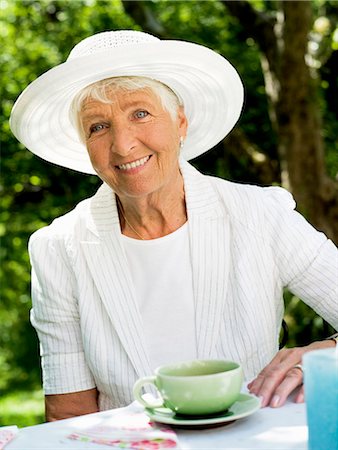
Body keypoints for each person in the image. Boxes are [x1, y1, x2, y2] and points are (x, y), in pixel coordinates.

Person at [10, 30, 338, 422]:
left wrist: (325, 354)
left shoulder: (259, 213)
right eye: (98, 126)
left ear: (180, 122)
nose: (123, 144)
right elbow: (69, 413)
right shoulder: (58, 247)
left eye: (140, 113)